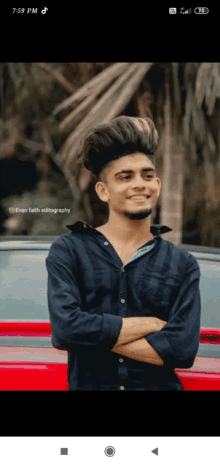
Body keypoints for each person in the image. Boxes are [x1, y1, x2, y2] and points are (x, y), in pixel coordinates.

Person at [46, 115, 201, 391]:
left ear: (158, 185)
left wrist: (96, 335)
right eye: (125, 177)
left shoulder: (182, 264)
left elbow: (182, 350)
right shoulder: (69, 251)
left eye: (147, 175)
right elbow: (66, 331)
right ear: (103, 191)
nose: (140, 183)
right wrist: (151, 324)